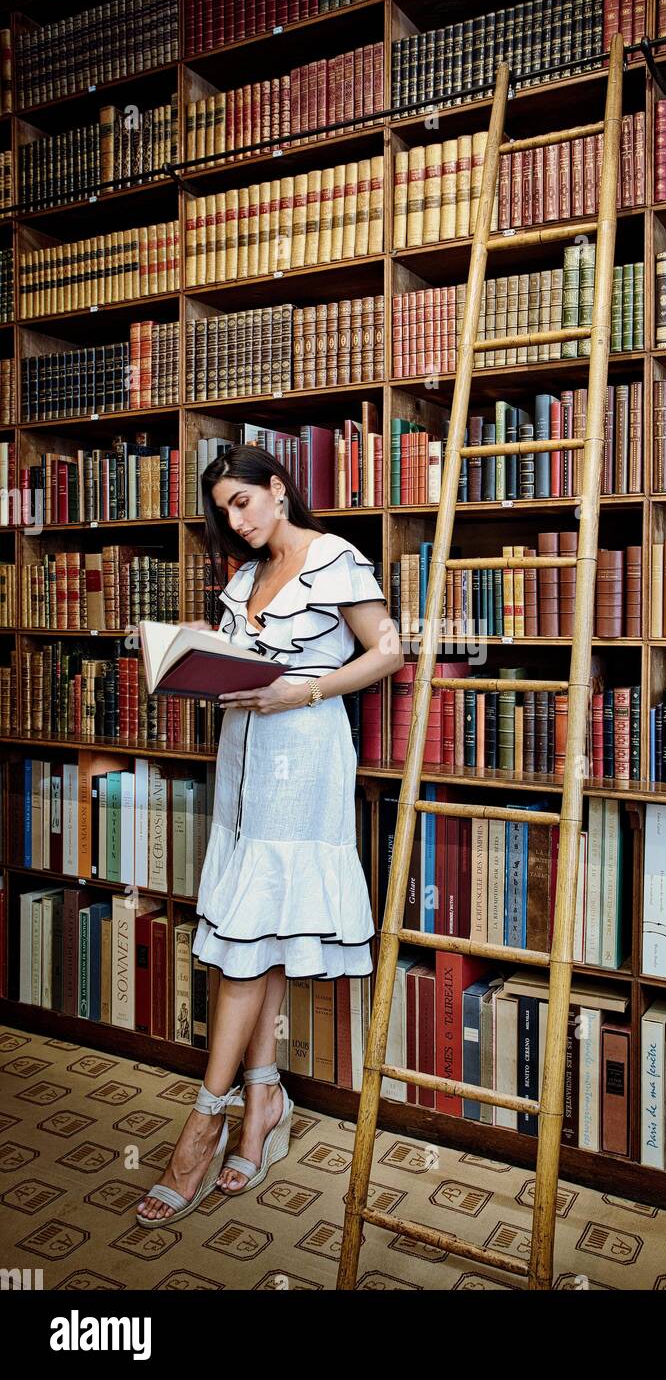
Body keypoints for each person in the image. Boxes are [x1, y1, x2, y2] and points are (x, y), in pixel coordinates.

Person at [136, 444, 403, 1226]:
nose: (235, 519)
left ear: (278, 490)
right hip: (244, 768)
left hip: (305, 762)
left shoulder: (335, 559)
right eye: (223, 509)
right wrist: (190, 645)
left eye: (243, 502)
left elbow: (387, 650)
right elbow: (242, 659)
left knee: (250, 937)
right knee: (257, 934)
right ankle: (265, 1106)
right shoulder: (244, 578)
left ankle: (205, 1120)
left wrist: (307, 689)